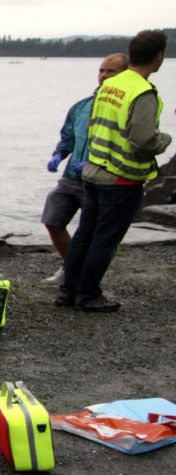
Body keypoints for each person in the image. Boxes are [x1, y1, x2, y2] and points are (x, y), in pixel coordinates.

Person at [59, 30, 172, 313]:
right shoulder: (142, 91)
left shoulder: (110, 85)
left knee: (85, 232)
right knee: (105, 238)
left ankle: (68, 290)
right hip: (122, 177)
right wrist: (166, 140)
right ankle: (88, 294)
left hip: (94, 170)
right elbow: (143, 139)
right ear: (159, 56)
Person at [40, 53, 129, 284]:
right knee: (53, 218)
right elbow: (68, 137)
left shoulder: (125, 107)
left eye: (111, 71)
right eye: (102, 70)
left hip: (100, 178)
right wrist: (59, 155)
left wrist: (96, 164)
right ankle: (70, 268)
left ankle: (86, 280)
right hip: (71, 177)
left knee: (91, 232)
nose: (104, 75)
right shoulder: (81, 107)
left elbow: (125, 144)